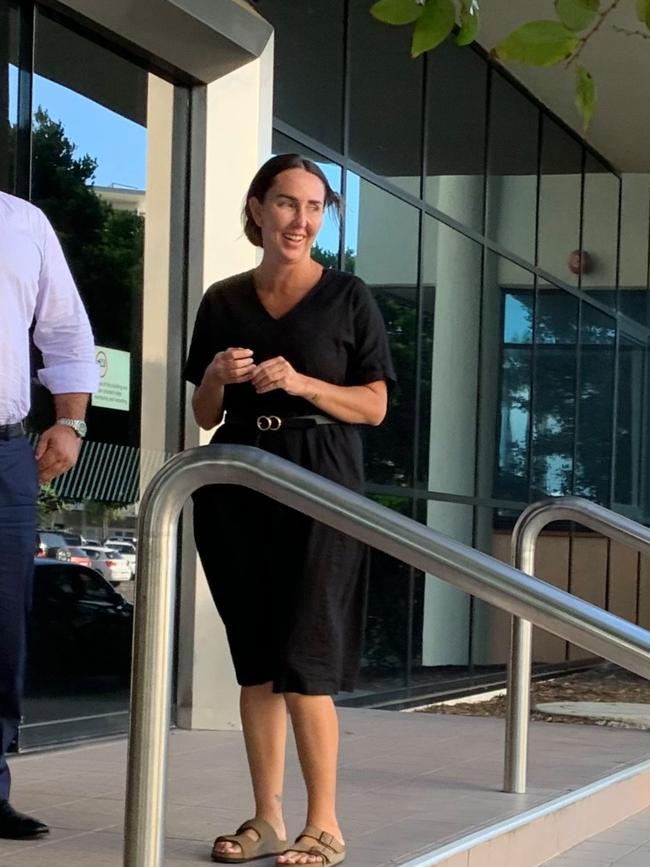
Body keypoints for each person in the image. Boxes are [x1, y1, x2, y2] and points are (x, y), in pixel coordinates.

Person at [184, 153, 395, 866]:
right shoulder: (223, 299)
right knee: (258, 663)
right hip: (238, 477)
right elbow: (205, 413)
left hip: (321, 474)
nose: (301, 220)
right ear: (256, 208)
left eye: (314, 208)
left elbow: (374, 405)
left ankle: (325, 822)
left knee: (308, 654)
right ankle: (268, 817)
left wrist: (303, 383)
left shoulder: (348, 297)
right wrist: (214, 374)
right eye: (286, 204)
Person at [0, 190, 98, 838]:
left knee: (2, 627)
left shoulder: (21, 222)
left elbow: (64, 330)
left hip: (4, 454)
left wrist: (69, 419)